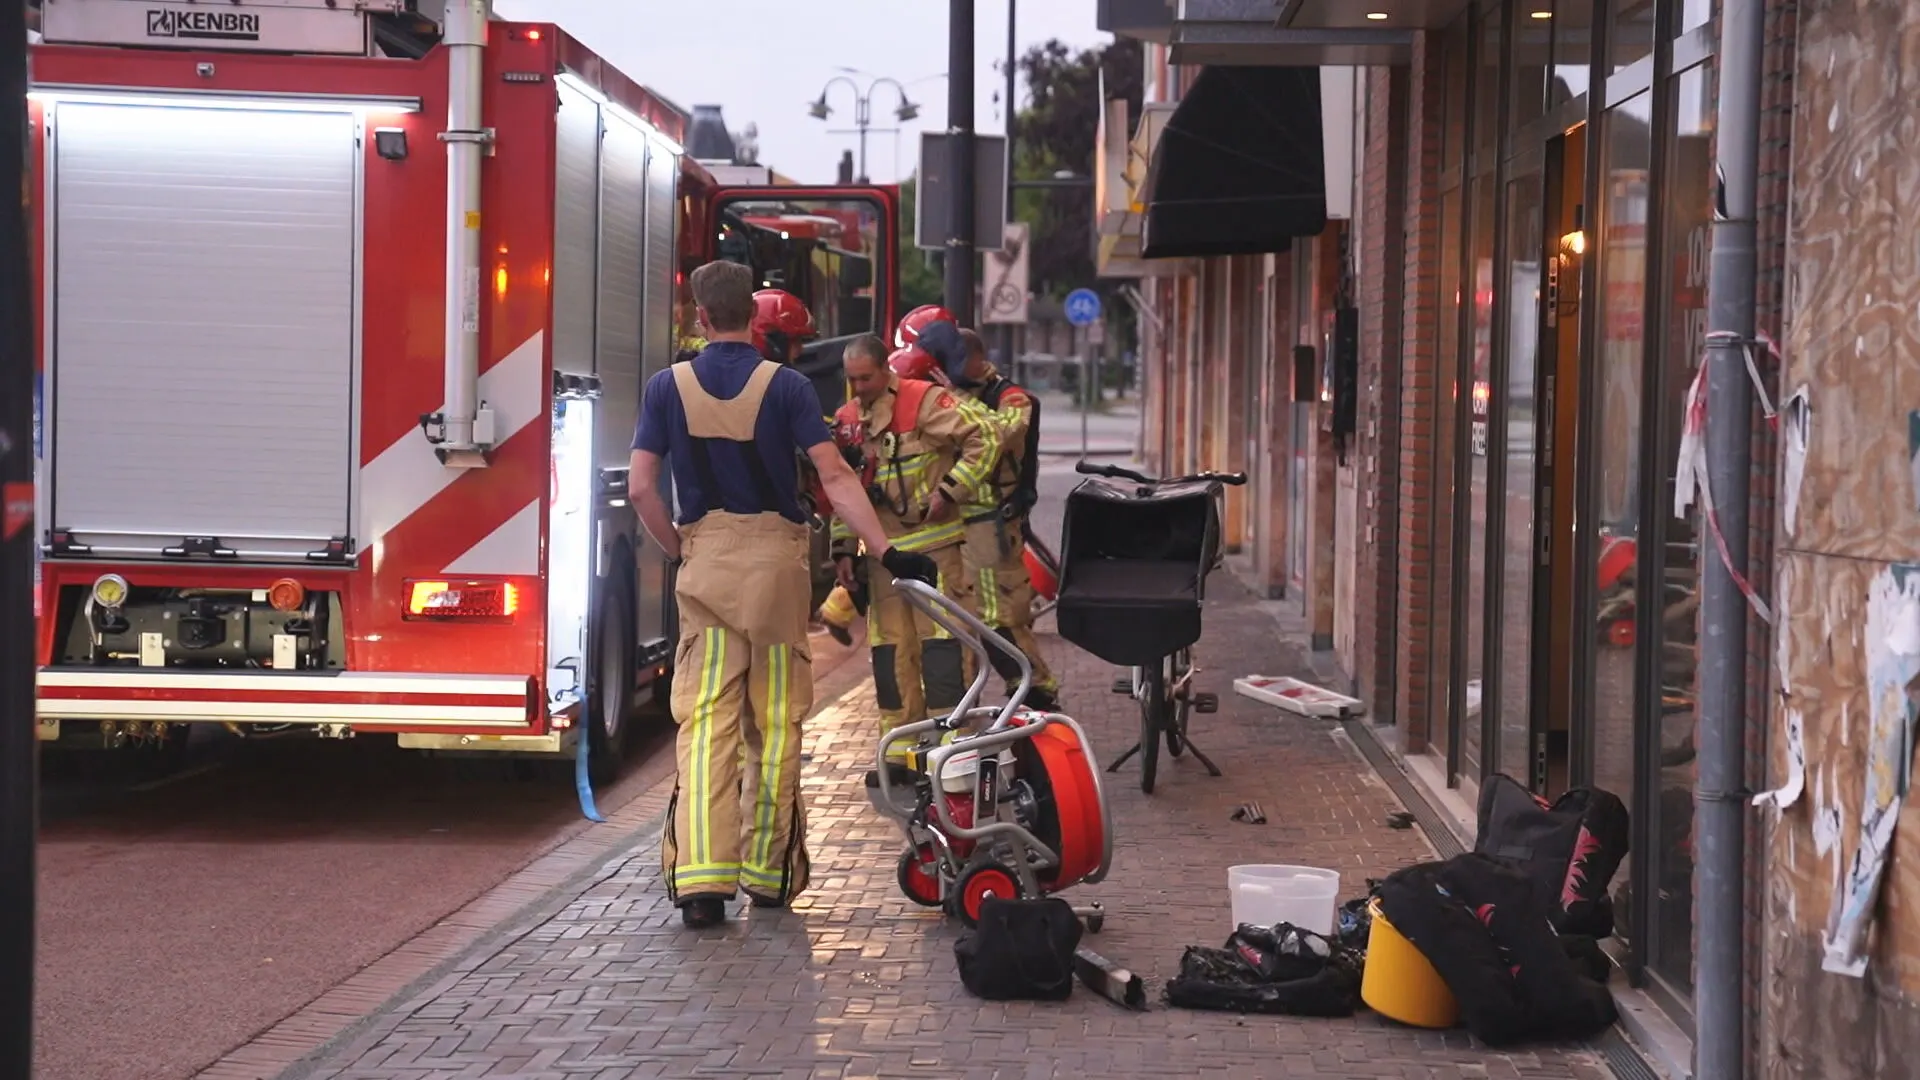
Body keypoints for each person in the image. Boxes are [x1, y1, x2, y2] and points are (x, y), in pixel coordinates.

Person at [628, 260, 938, 930]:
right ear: (754, 317)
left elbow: (641, 488)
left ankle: (702, 886)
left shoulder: (665, 387)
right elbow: (836, 478)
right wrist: (886, 550)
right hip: (776, 569)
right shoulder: (789, 387)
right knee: (774, 723)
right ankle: (769, 877)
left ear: (701, 317)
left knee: (706, 724)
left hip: (707, 565)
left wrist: (679, 549)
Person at [828, 335, 995, 787]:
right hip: (884, 560)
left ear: (886, 369)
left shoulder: (924, 402)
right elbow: (843, 489)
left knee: (940, 646)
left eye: (866, 378)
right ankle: (901, 752)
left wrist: (950, 491)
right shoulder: (847, 421)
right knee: (889, 652)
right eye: (852, 379)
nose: (858, 387)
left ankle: (948, 749)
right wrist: (843, 549)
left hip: (935, 553)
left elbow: (985, 436)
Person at [914, 321, 1060, 710]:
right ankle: (963, 705)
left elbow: (1000, 435)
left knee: (1000, 618)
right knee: (956, 621)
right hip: (951, 523)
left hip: (992, 523)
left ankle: (1038, 694)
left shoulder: (1011, 398)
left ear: (977, 358)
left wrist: (954, 397)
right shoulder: (947, 394)